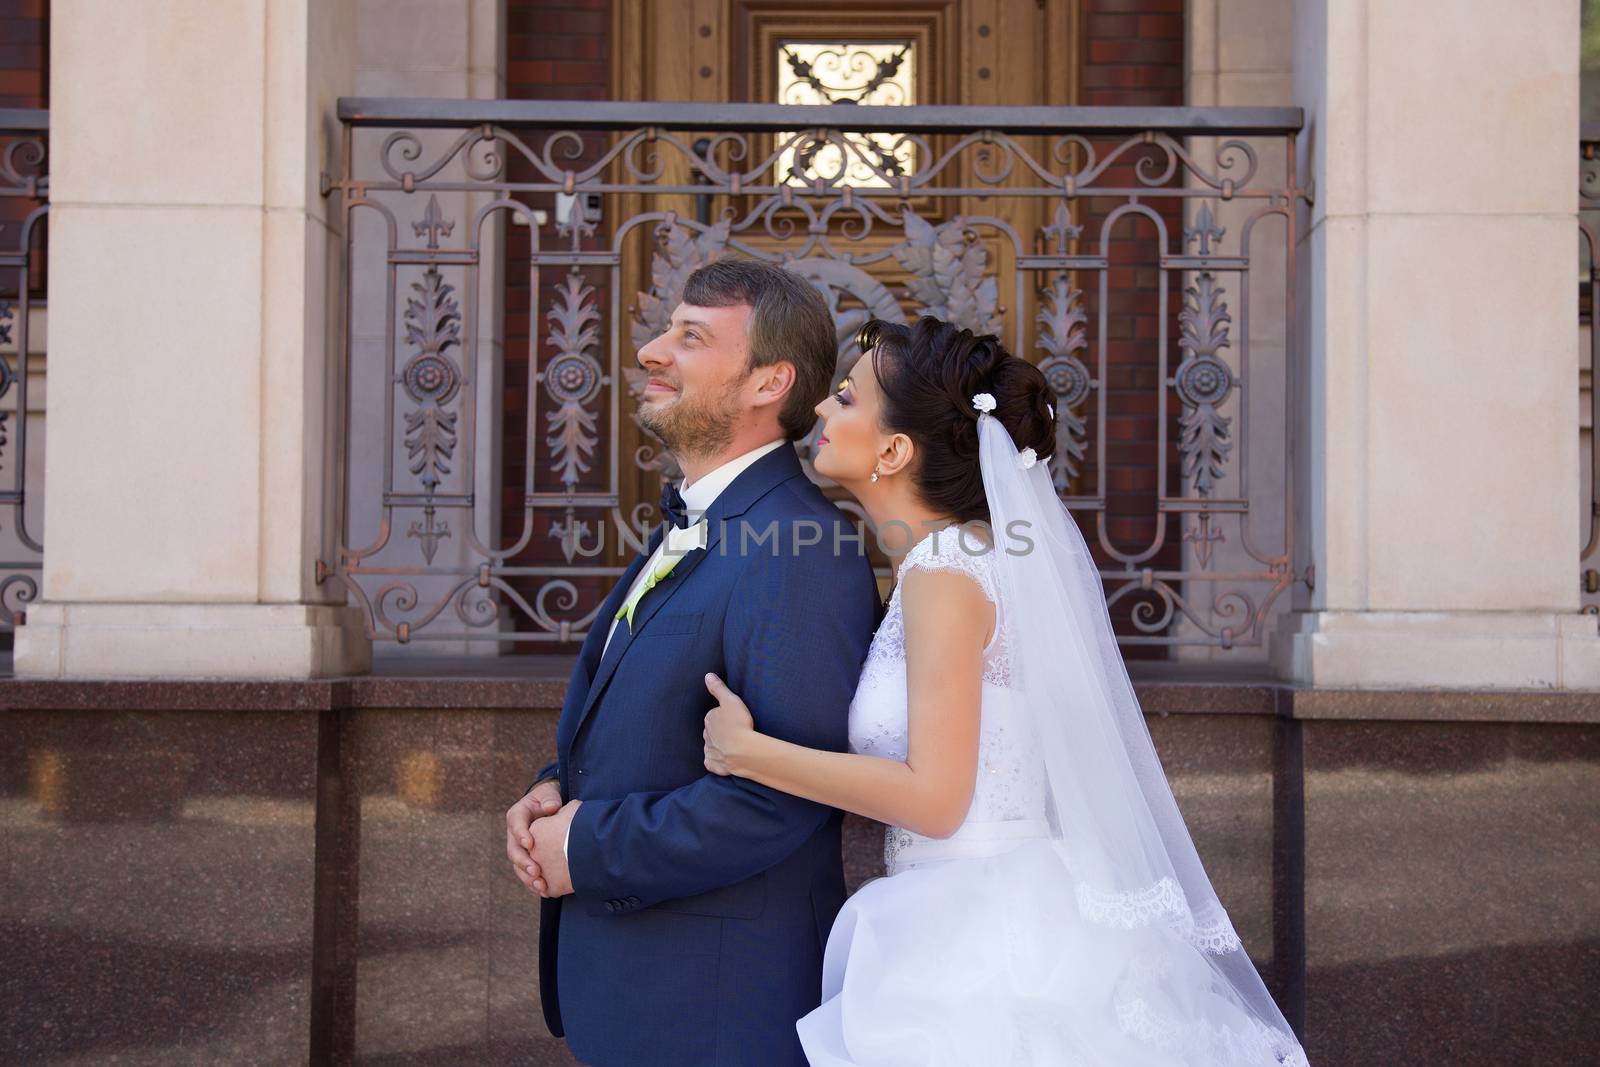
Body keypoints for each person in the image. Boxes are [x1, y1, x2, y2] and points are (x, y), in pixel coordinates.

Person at [702, 317, 1310, 1066]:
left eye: (847, 399)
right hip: (1003, 903)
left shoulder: (944, 575)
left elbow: (935, 798)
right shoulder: (964, 563)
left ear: (894, 450)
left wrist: (749, 752)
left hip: (978, 934)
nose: (823, 410)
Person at [505, 259, 880, 1067]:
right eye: (664, 329)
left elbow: (784, 797)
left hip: (715, 1010)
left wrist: (587, 845)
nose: (650, 350)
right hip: (640, 992)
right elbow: (650, 710)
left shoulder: (797, 550)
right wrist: (553, 788)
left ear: (767, 382)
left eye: (690, 336)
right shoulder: (701, 520)